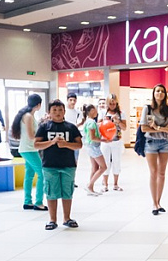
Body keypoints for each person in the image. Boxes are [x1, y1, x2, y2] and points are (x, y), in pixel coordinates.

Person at [34, 99, 82, 230]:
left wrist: (66, 144)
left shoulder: (71, 127)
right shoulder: (44, 127)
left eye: (60, 110)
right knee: (51, 192)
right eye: (54, 110)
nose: (57, 112)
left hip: (68, 165)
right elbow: (36, 144)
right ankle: (52, 219)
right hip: (49, 165)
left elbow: (79, 145)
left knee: (67, 192)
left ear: (64, 111)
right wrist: (52, 142)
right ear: (49, 112)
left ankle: (67, 218)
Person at [140, 84, 168, 215]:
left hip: (164, 143)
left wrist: (157, 128)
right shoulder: (147, 108)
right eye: (157, 91)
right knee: (153, 172)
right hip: (151, 142)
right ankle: (154, 203)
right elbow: (143, 128)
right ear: (154, 93)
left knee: (162, 173)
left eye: (162, 91)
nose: (160, 93)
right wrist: (164, 128)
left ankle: (158, 202)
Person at [14, 94, 46, 211]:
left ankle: (27, 202)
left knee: (29, 175)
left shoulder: (29, 115)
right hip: (29, 149)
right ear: (38, 104)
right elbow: (31, 135)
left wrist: (41, 122)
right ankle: (38, 202)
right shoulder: (28, 116)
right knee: (43, 174)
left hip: (28, 149)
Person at [100, 93, 126, 192]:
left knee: (116, 162)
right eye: (110, 103)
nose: (112, 105)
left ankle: (115, 184)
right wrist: (104, 121)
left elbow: (124, 127)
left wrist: (118, 121)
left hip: (117, 141)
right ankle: (105, 184)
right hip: (105, 141)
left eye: (114, 103)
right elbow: (97, 125)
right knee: (105, 162)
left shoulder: (121, 113)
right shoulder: (103, 112)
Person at [78, 103, 106, 195]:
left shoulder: (89, 121)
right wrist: (104, 140)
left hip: (89, 146)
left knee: (95, 168)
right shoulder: (91, 122)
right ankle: (89, 185)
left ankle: (90, 188)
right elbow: (92, 137)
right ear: (92, 111)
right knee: (103, 167)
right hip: (94, 147)